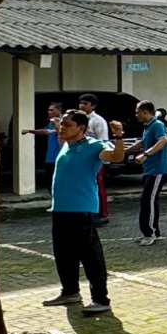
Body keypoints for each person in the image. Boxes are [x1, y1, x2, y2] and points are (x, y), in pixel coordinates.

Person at [41, 109, 127, 315]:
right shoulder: (66, 146)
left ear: (81, 128)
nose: (62, 127)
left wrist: (118, 136)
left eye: (67, 124)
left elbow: (115, 156)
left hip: (81, 211)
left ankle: (100, 299)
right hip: (61, 209)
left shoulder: (94, 145)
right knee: (63, 254)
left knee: (90, 256)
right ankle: (70, 292)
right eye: (62, 124)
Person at [128, 100, 167, 245]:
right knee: (149, 200)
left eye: (137, 112)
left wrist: (145, 154)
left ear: (145, 112)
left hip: (158, 169)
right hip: (149, 169)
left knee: (148, 200)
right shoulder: (148, 127)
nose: (136, 115)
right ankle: (153, 232)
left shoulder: (157, 125)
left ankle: (150, 233)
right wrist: (125, 150)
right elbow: (143, 142)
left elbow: (163, 141)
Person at [77, 93, 111, 224]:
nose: (82, 106)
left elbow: (102, 141)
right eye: (81, 103)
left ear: (93, 106)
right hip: (81, 158)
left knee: (97, 185)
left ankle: (102, 214)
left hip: (95, 159)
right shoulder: (78, 119)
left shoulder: (98, 121)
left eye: (85, 104)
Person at [22, 101, 64, 184]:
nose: (49, 112)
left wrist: (56, 123)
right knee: (50, 180)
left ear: (59, 110)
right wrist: (29, 131)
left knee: (59, 181)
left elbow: (60, 132)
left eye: (52, 110)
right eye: (49, 110)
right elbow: (44, 131)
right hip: (51, 156)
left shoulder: (63, 121)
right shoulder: (51, 122)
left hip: (60, 155)